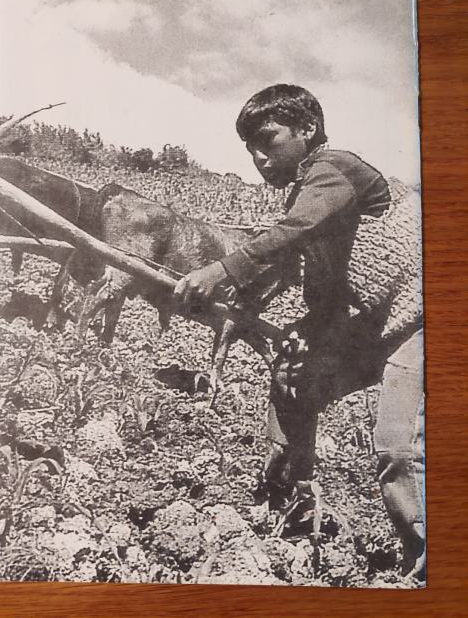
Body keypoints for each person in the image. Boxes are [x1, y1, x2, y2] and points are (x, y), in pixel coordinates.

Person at [173, 84, 425, 580]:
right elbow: (325, 287)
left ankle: (428, 569)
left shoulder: (334, 169)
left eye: (268, 140)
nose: (259, 158)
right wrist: (304, 330)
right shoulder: (309, 193)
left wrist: (220, 270)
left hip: (425, 314)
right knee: (292, 378)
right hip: (382, 322)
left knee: (397, 444)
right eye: (250, 149)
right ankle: (290, 509)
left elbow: (294, 231)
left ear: (307, 129)